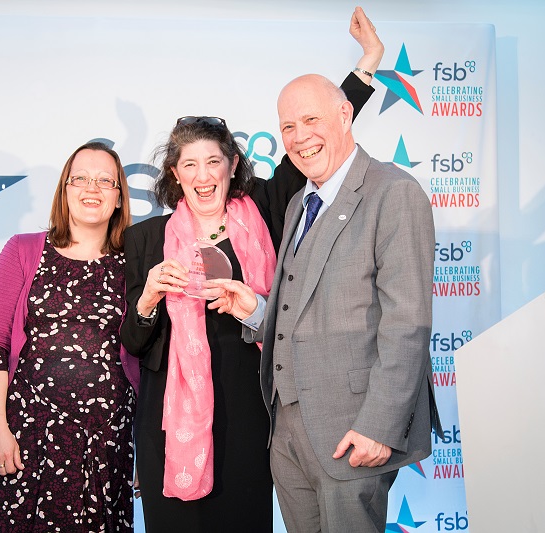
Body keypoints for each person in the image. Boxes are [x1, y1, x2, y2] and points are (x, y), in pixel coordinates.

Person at [120, 9, 385, 531]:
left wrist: (368, 63)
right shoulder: (145, 238)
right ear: (175, 174)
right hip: (171, 421)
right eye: (190, 165)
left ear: (232, 166)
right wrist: (148, 300)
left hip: (252, 411)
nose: (203, 176)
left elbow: (316, 137)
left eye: (214, 162)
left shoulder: (264, 206)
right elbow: (133, 341)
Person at [210, 73, 443, 532]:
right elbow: (305, 307)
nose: (299, 137)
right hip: (289, 432)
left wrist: (381, 424)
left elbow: (407, 322)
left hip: (353, 427)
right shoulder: (300, 202)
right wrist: (255, 311)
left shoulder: (393, 192)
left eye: (310, 119)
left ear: (344, 114)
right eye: (288, 127)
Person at [0, 142, 139, 532]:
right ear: (64, 191)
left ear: (118, 198)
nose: (92, 188)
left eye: (105, 181)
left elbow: (153, 357)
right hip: (29, 439)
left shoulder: (137, 262)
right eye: (79, 178)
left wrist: (151, 451)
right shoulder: (22, 251)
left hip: (108, 443)